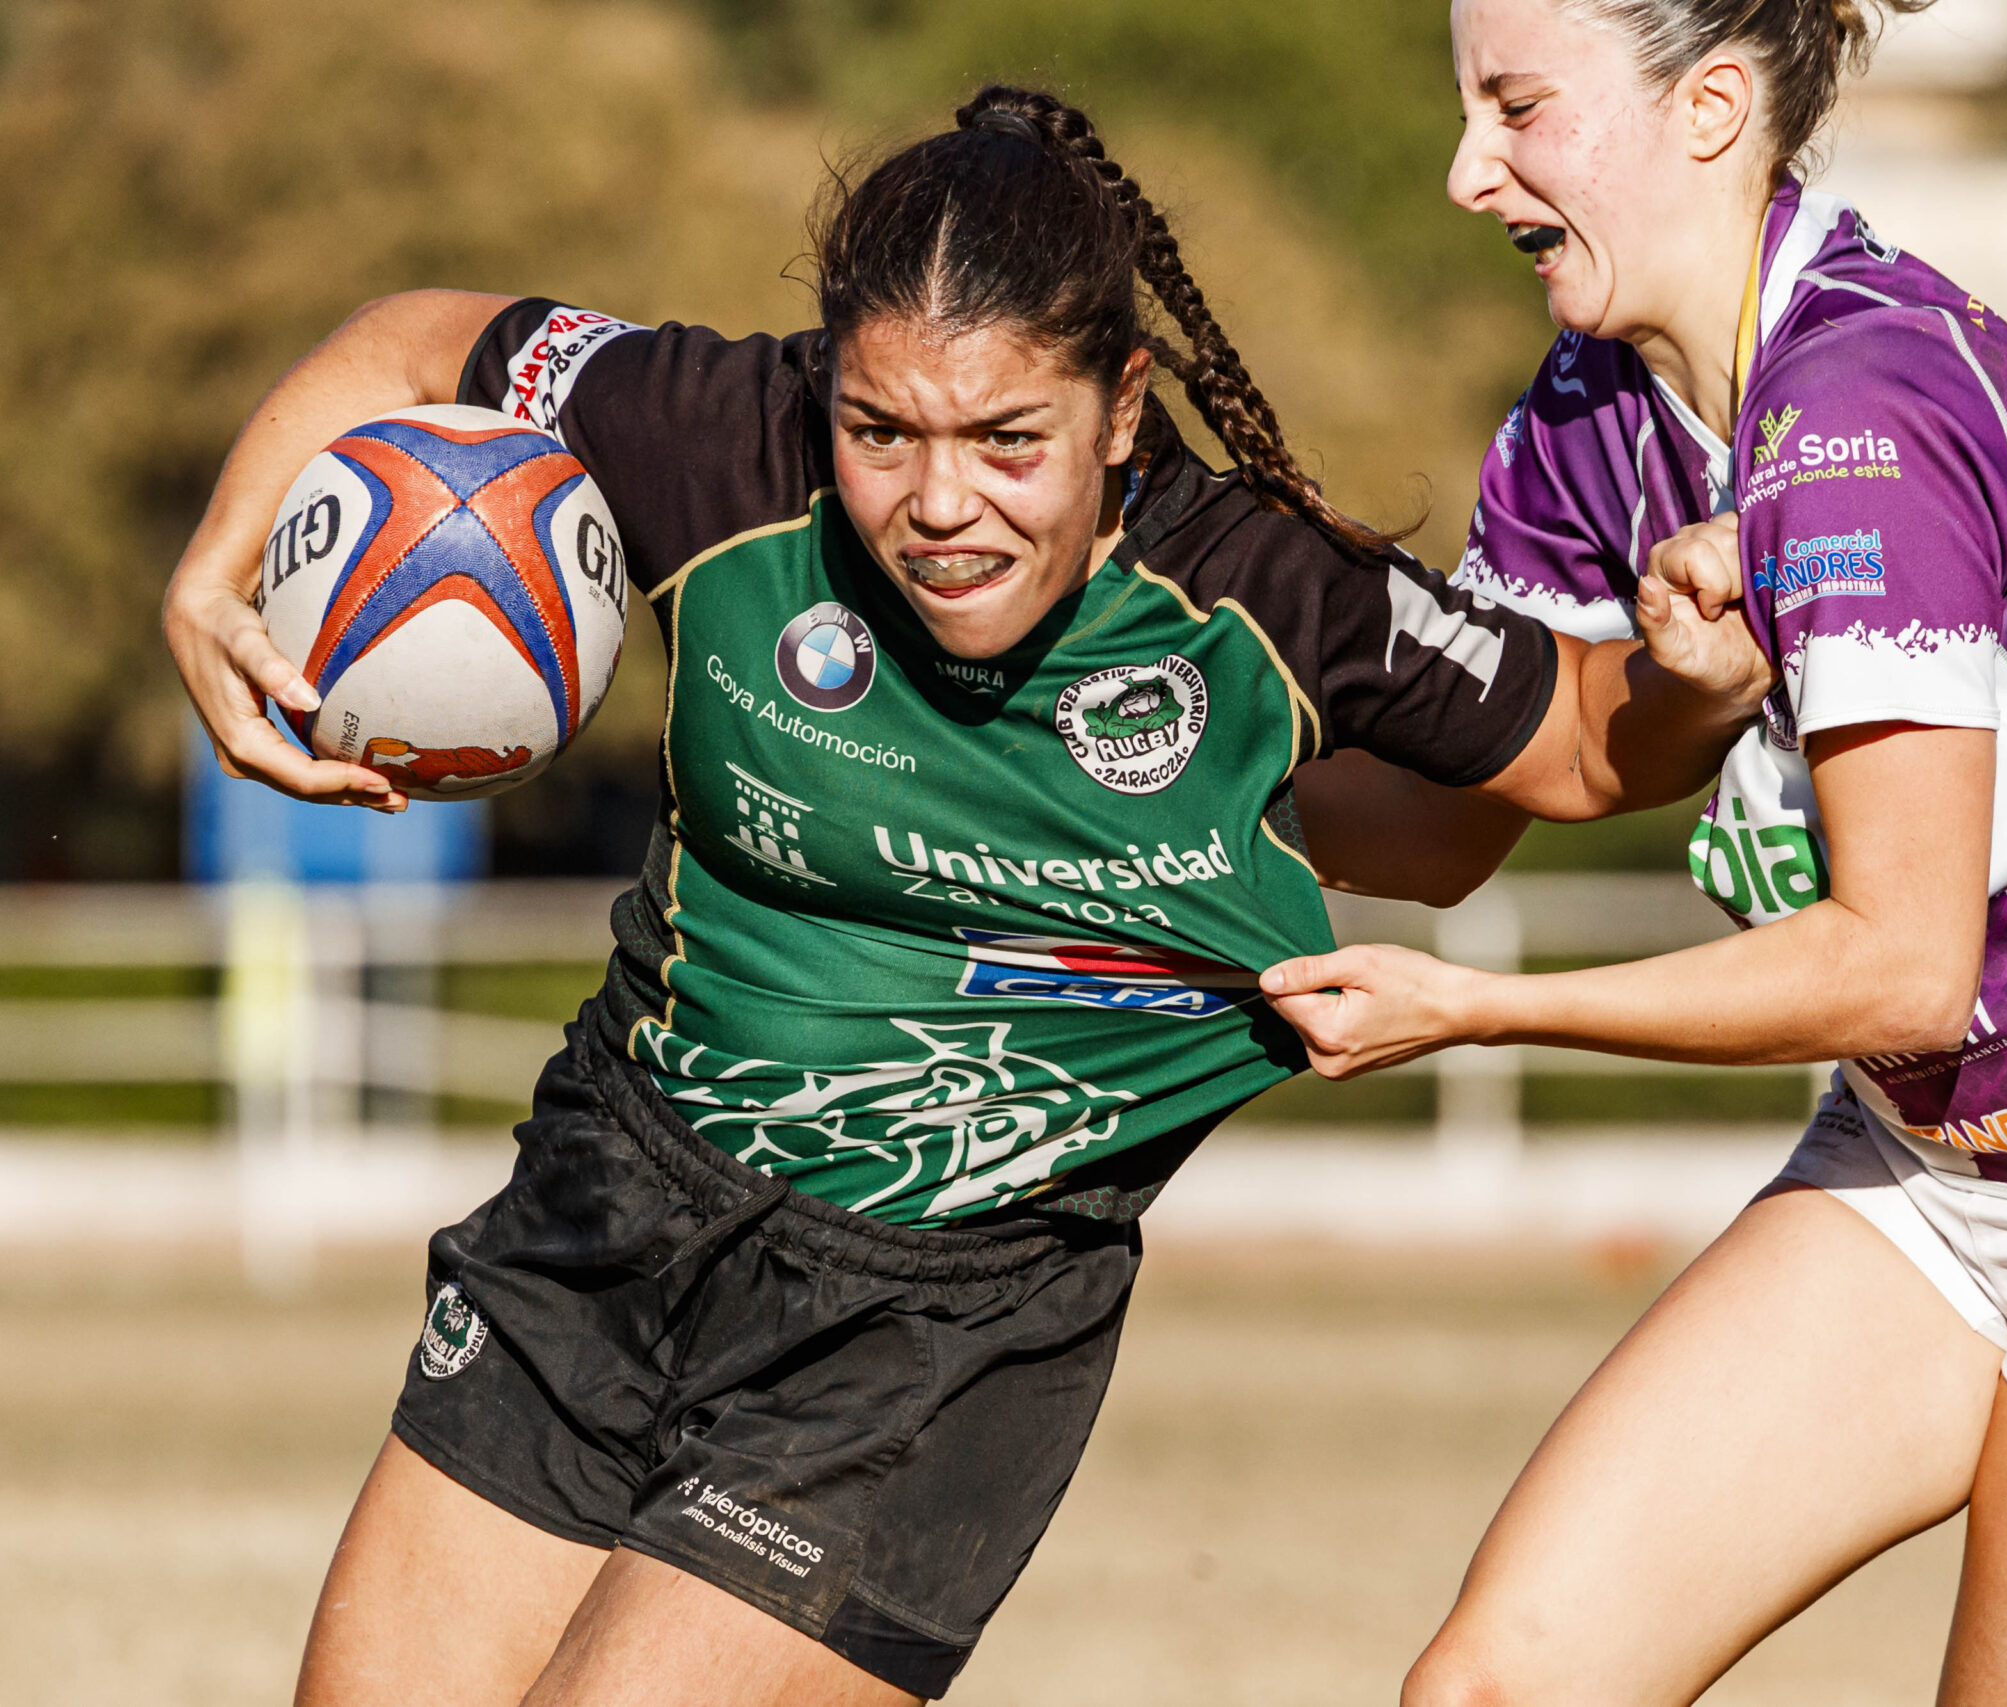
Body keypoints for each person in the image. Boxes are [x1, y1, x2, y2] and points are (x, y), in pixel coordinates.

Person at [159, 87, 1770, 1707]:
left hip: (934, 1328)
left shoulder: (1253, 589)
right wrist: (210, 574)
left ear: (1122, 408)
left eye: (1012, 441)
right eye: (883, 432)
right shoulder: (722, 438)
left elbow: (1567, 738)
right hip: (608, 1204)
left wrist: (1694, 690)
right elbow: (411, 340)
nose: (940, 505)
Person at [1257, 3, 2007, 1703]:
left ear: (1713, 106)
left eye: (1518, 108)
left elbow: (1904, 960)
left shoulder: (1863, 411)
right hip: (1942, 1163)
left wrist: (1481, 1015)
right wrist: (1121, 759)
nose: (1470, 172)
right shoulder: (1589, 415)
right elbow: (1459, 823)